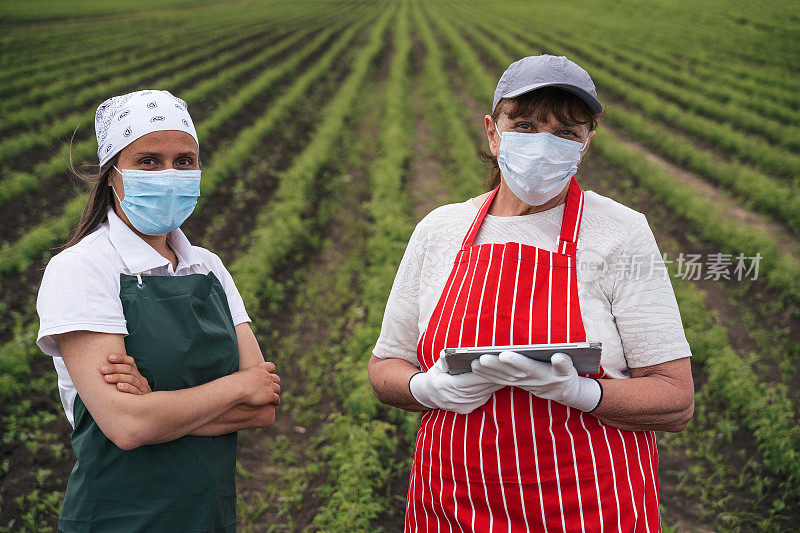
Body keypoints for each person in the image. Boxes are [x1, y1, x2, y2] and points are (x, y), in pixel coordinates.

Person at [368, 55, 694, 531]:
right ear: (492, 131)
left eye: (566, 132)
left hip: (584, 506)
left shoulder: (620, 233)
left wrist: (582, 393)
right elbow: (384, 368)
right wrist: (425, 387)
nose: (544, 145)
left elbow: (675, 398)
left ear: (586, 145)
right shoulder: (440, 230)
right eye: (524, 125)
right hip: (453, 502)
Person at [35, 89, 281, 531]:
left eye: (184, 161)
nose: (170, 174)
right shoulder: (83, 268)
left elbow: (262, 405)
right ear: (112, 174)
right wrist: (235, 386)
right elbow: (128, 427)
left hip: (210, 514)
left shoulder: (208, 266)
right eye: (148, 161)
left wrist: (155, 407)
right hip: (119, 517)